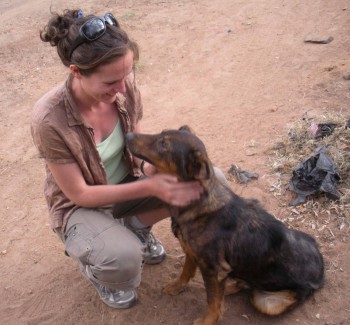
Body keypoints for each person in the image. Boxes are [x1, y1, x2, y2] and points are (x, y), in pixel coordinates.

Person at [31, 9, 204, 309]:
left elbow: (137, 150)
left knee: (199, 186)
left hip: (125, 186)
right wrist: (152, 187)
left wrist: (150, 168)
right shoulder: (49, 119)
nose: (123, 88)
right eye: (111, 82)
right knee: (123, 259)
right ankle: (101, 268)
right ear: (76, 72)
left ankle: (135, 230)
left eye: (127, 75)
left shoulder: (123, 85)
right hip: (79, 207)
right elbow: (80, 194)